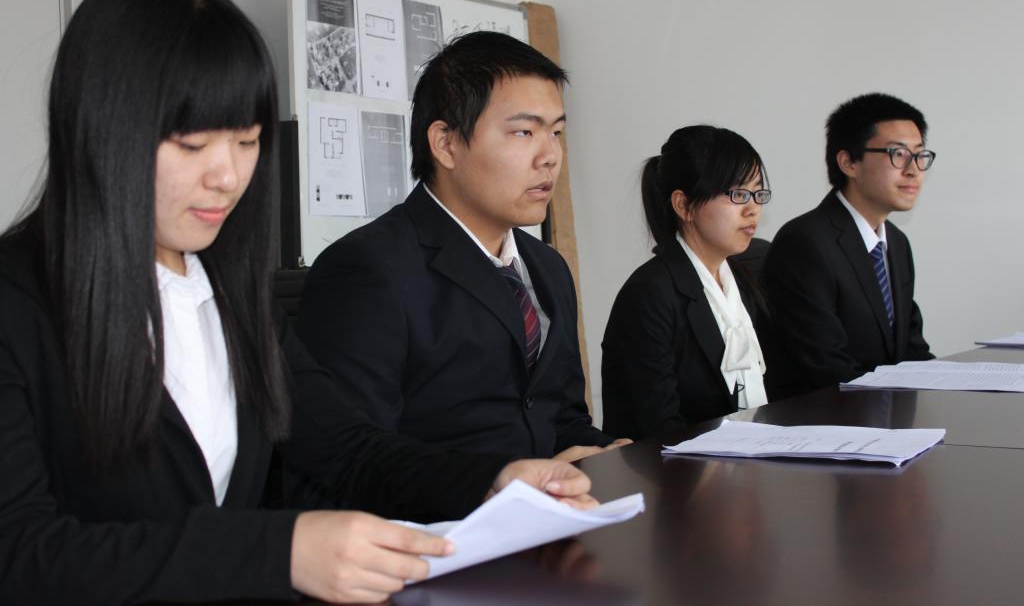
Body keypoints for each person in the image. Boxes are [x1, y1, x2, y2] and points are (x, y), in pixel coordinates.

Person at [0, 0, 594, 606]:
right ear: (101, 128)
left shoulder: (225, 288)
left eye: (247, 141)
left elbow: (345, 446)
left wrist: (492, 479)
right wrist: (278, 551)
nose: (228, 176)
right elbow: (20, 554)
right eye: (193, 144)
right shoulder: (20, 302)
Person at [298, 31, 627, 462]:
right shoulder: (367, 270)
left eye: (557, 132)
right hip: (443, 506)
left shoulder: (548, 268)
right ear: (446, 143)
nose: (550, 156)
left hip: (550, 502)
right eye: (524, 132)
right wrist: (504, 485)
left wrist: (613, 455)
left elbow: (561, 420)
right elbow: (350, 461)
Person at [602, 126, 772, 441]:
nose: (753, 209)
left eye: (758, 194)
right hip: (668, 466)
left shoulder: (743, 279)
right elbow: (660, 428)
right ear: (684, 205)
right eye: (738, 194)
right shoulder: (649, 294)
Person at [762, 93, 934, 396]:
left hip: (884, 414)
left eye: (920, 155)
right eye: (898, 154)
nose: (913, 169)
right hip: (824, 417)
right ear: (849, 162)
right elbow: (827, 369)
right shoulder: (805, 243)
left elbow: (912, 351)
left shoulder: (896, 243)